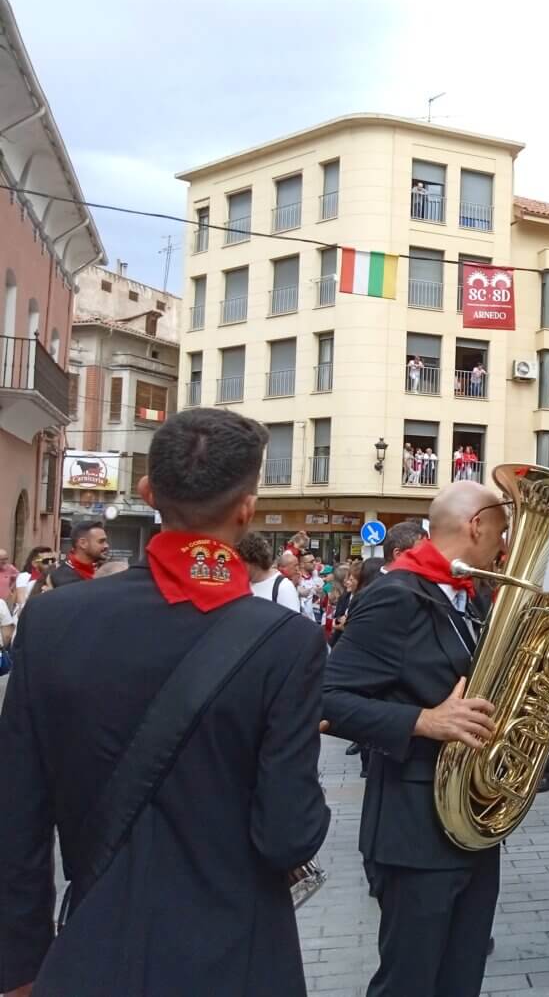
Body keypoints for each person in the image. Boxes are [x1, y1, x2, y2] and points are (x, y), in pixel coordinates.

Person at [0, 408, 329, 996]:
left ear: (149, 493)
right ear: (247, 508)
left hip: (93, 950)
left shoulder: (52, 619)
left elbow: (16, 813)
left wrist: (21, 966)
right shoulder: (289, 642)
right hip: (240, 956)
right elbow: (288, 835)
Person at [322, 480, 508, 997]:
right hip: (414, 830)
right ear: (477, 527)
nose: (504, 543)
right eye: (501, 531)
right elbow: (327, 699)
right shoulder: (395, 594)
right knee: (409, 982)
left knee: (461, 976)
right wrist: (424, 721)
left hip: (472, 821)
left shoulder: (470, 596)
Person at [238, 532, 302, 613]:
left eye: (239, 562)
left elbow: (293, 624)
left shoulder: (283, 587)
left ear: (253, 561)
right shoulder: (241, 584)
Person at [49, 520, 109, 588]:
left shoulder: (102, 569)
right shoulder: (63, 577)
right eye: (101, 541)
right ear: (83, 543)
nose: (106, 545)